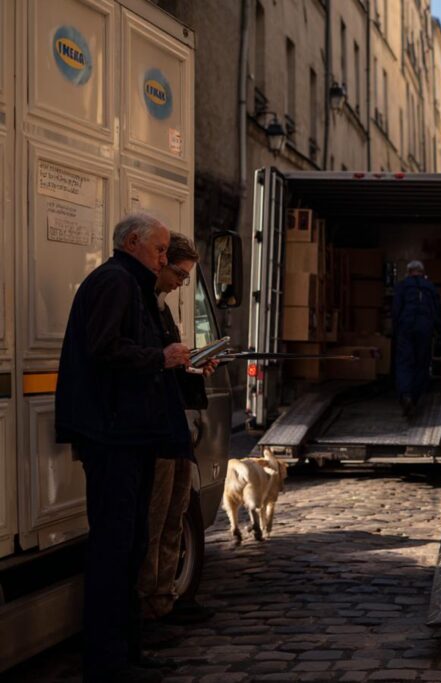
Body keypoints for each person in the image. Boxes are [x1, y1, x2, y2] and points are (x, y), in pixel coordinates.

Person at [55, 213, 192, 682]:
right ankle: (108, 659)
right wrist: (161, 356)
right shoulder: (116, 282)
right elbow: (104, 349)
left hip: (129, 433)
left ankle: (127, 652)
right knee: (115, 546)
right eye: (159, 250)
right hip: (112, 435)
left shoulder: (131, 283)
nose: (162, 258)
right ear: (132, 243)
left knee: (130, 543)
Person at [138, 233, 216, 627]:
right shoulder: (140, 301)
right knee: (154, 522)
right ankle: (151, 606)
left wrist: (194, 364)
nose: (181, 282)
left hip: (172, 428)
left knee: (176, 514)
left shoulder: (160, 306)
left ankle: (168, 598)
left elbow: (167, 362)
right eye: (179, 274)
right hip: (156, 431)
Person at [392, 260, 441, 416]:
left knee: (404, 362)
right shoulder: (431, 288)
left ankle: (406, 394)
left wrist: (395, 331)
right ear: (422, 272)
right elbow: (438, 313)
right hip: (425, 329)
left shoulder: (402, 286)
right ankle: (415, 398)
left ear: (409, 271)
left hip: (406, 328)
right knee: (421, 363)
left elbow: (396, 310)